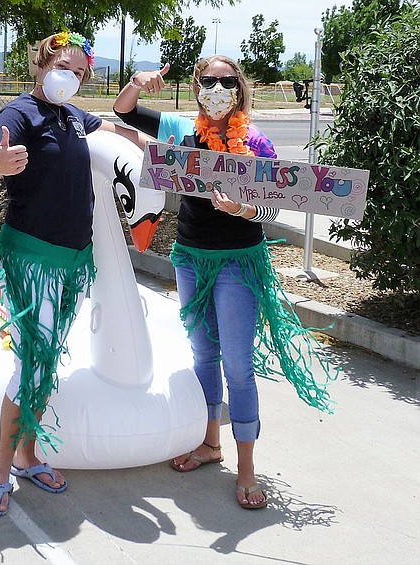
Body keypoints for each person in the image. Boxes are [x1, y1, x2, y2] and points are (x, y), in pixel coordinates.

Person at [114, 56, 335, 509]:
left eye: (225, 81)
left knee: (237, 364)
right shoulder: (180, 132)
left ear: (239, 88)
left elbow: (275, 209)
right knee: (202, 354)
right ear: (196, 87)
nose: (215, 88)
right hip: (191, 257)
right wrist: (139, 83)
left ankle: (247, 467)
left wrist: (244, 210)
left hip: (238, 262)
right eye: (207, 81)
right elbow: (123, 112)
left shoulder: (255, 142)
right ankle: (210, 443)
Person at [0, 31, 155, 517]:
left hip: (72, 260)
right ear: (42, 63)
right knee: (31, 361)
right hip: (32, 257)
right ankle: (2, 467)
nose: (69, 77)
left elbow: (117, 134)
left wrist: (161, 151)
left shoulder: (75, 116)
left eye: (78, 72)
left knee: (46, 359)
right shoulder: (18, 114)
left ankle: (28, 455)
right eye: (63, 66)